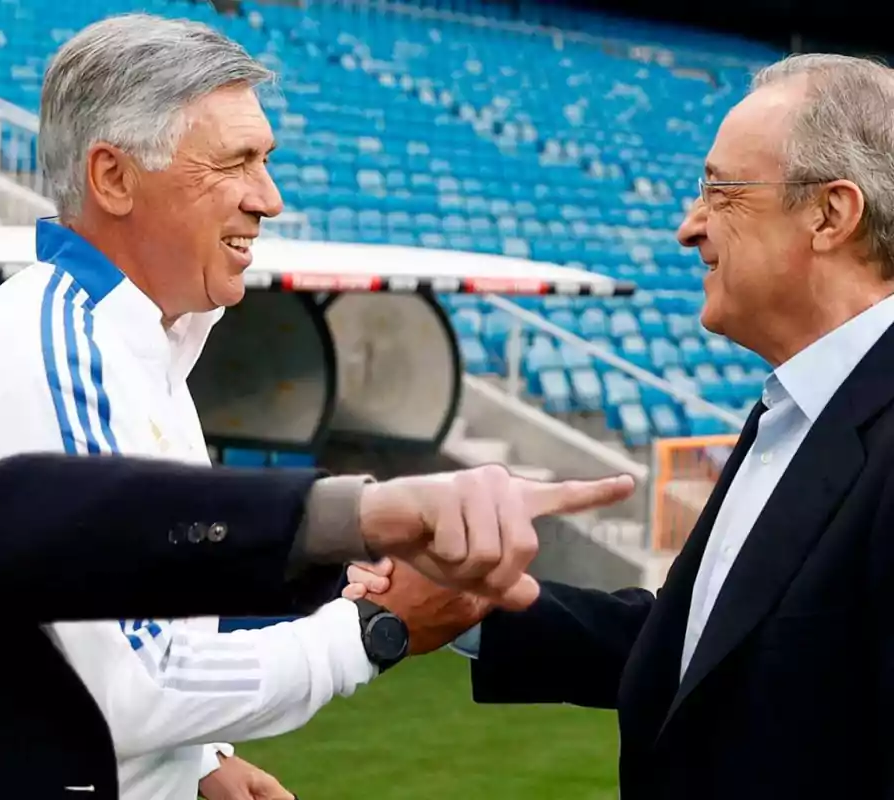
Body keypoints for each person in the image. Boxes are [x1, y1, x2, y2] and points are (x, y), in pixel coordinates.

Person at [0, 9, 637, 798]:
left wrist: (198, 763)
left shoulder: (142, 345)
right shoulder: (43, 348)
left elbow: (73, 618)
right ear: (112, 178)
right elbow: (51, 560)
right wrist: (371, 616)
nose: (267, 198)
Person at [349, 53, 894, 799]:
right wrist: (486, 607)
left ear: (830, 214)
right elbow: (705, 648)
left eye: (719, 191)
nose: (687, 226)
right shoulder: (798, 405)